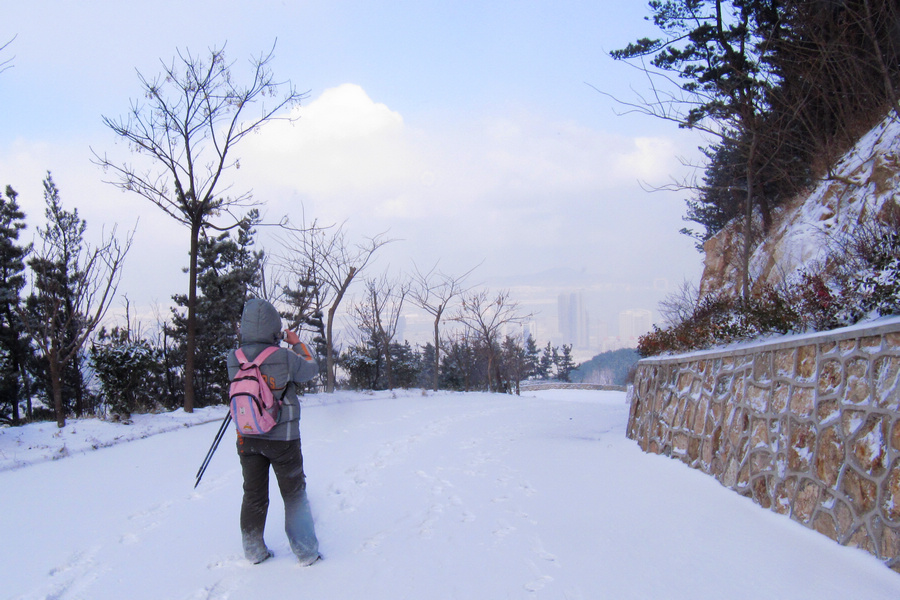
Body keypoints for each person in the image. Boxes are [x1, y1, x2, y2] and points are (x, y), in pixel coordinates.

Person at [226, 298, 320, 565]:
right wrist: (296, 343)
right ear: (274, 327)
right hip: (283, 439)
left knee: (253, 494)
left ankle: (254, 551)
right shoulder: (284, 357)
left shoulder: (234, 358)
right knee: (293, 495)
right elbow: (310, 369)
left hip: (247, 437)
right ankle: (306, 552)